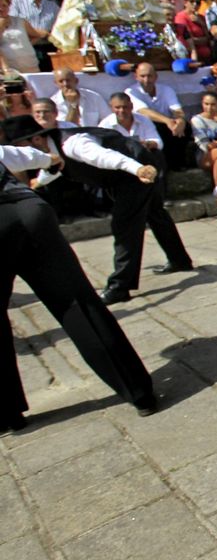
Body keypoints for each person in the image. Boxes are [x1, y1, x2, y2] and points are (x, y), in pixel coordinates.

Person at [0, 120, 157, 430]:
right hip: (30, 211)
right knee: (78, 304)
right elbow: (27, 157)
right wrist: (49, 161)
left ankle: (6, 413)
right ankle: (140, 393)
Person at [25, 106, 193, 304]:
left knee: (124, 225)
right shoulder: (50, 149)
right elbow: (53, 167)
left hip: (135, 171)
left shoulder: (74, 144)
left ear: (36, 140)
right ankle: (179, 260)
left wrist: (138, 170)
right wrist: (39, 182)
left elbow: (108, 157)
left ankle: (119, 287)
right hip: (126, 174)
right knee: (155, 213)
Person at [125, 62, 190, 171]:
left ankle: (178, 163)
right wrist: (168, 121)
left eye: (149, 76)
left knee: (184, 127)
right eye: (142, 76)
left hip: (168, 125)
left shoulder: (166, 89)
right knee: (161, 129)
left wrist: (181, 120)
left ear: (155, 77)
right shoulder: (131, 92)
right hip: (147, 126)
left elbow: (176, 109)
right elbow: (143, 111)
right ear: (136, 77)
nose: (146, 80)